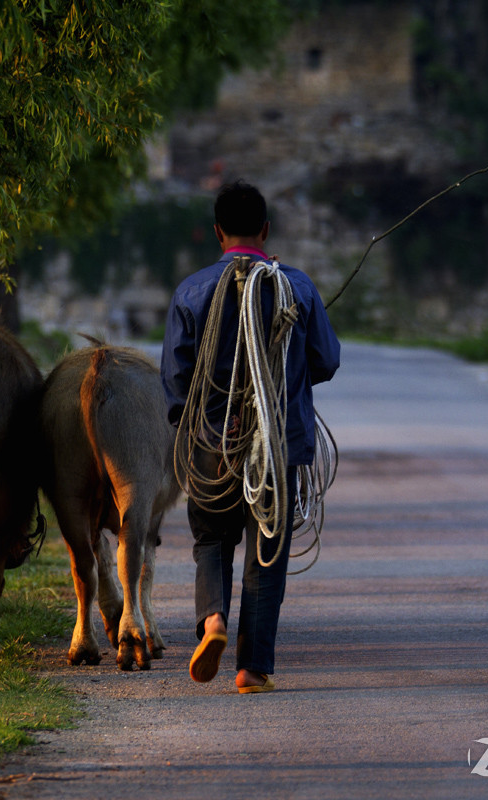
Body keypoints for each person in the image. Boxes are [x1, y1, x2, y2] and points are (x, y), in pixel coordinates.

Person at [160, 180, 340, 693]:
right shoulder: (296, 287)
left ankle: (212, 620)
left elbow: (176, 381)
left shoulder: (192, 291)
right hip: (278, 449)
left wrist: (194, 428)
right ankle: (252, 669)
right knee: (267, 553)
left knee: (212, 540)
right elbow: (326, 362)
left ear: (217, 233)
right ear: (265, 229)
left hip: (213, 443)